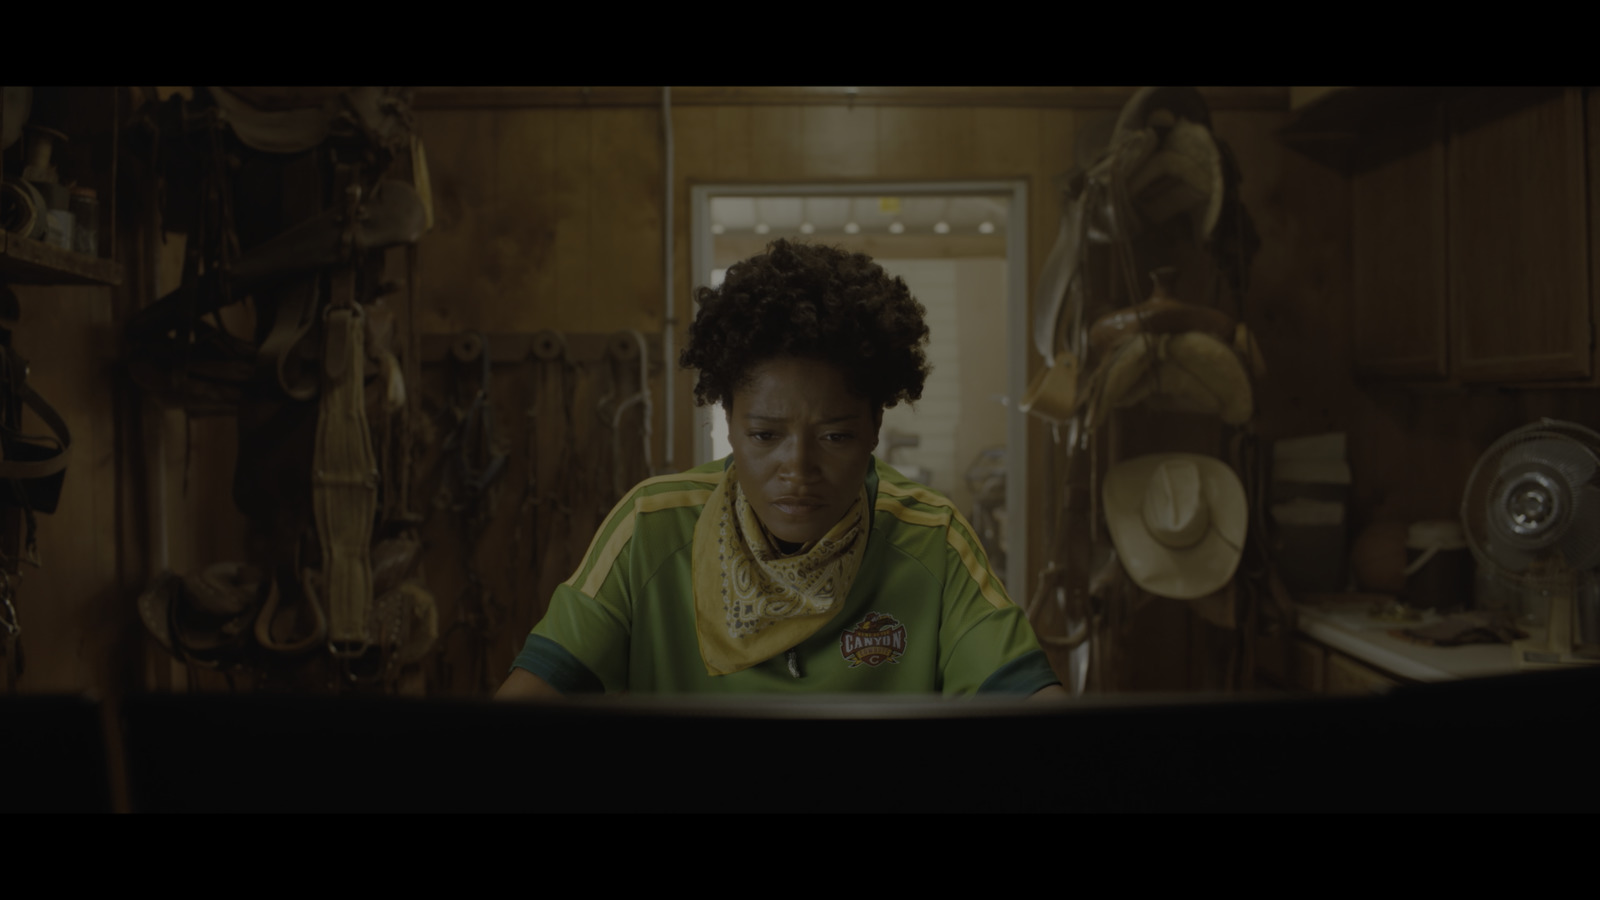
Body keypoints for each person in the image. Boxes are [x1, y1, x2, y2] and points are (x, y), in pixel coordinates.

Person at [495, 239, 1066, 699]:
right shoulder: (651, 527)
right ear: (729, 420)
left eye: (835, 436)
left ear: (874, 429)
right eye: (765, 436)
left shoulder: (932, 540)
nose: (797, 468)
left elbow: (1035, 713)